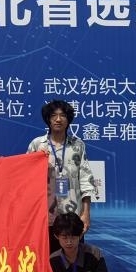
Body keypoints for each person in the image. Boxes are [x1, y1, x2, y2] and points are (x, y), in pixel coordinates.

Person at [27, 99, 96, 251]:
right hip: (45, 216)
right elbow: (26, 178)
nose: (58, 119)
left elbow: (85, 179)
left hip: (72, 216)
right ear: (48, 119)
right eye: (54, 116)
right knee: (47, 258)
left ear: (68, 119)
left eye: (62, 115)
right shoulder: (37, 145)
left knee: (73, 259)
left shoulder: (78, 145)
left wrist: (86, 213)